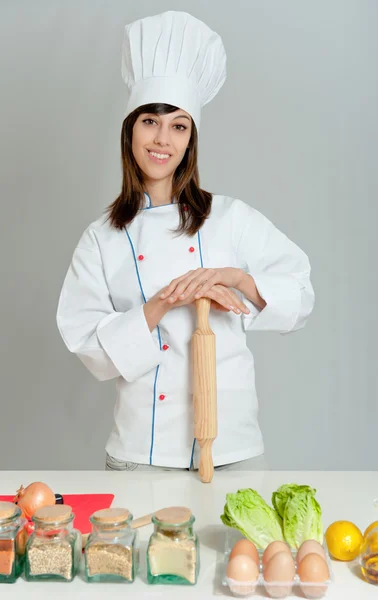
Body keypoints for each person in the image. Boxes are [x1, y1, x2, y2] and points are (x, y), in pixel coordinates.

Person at [56, 11, 315, 473]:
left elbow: (300, 293)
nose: (163, 139)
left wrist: (234, 278)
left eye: (178, 125)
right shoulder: (102, 238)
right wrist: (162, 302)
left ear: (191, 138)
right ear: (130, 130)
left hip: (231, 446)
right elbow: (88, 346)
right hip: (142, 450)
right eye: (150, 122)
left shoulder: (230, 218)